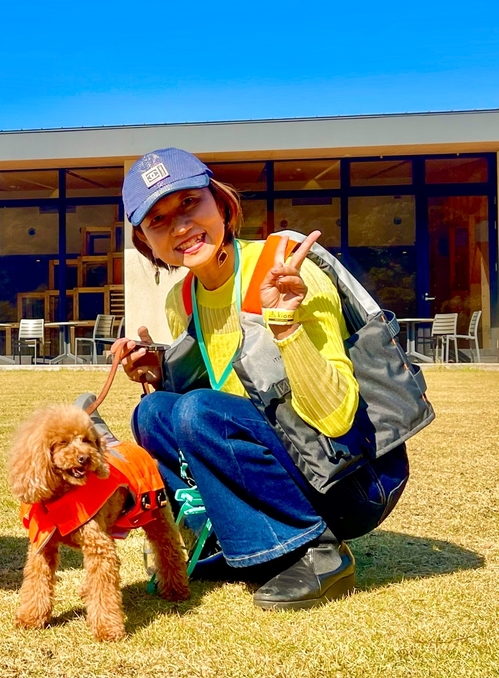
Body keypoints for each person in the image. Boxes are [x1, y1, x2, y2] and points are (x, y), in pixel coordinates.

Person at [116, 147, 409, 610]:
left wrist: (286, 325)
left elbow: (336, 418)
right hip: (287, 459)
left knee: (196, 411)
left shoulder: (285, 268)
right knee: (154, 412)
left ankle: (316, 552)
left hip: (352, 477)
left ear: (221, 203)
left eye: (190, 203)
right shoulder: (184, 297)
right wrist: (159, 375)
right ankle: (234, 542)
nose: (181, 227)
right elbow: (220, 405)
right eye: (158, 220)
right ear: (144, 240)